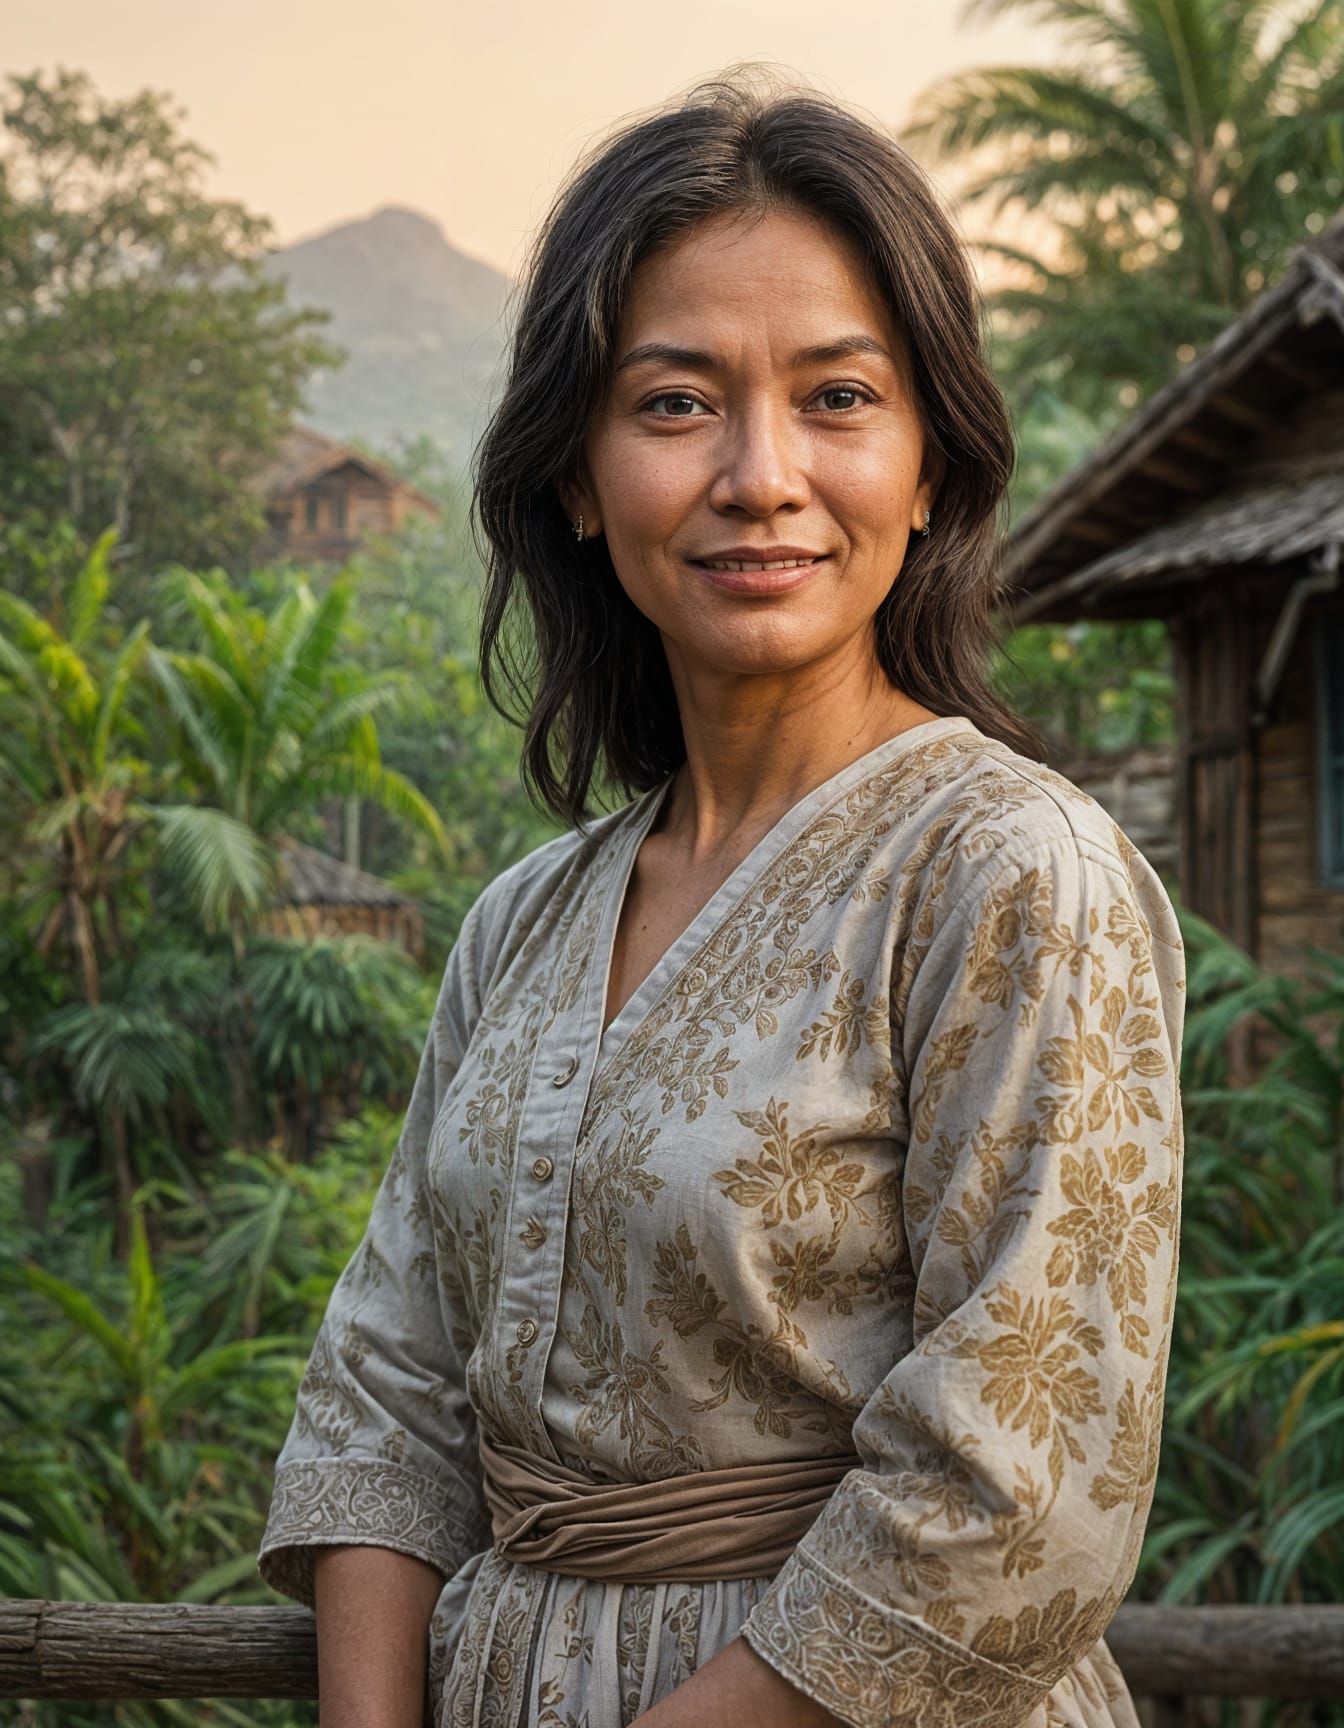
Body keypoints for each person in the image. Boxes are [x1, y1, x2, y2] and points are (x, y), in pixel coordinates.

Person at [256, 64, 1186, 1728]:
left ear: (930, 469)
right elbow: (384, 1393)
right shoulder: (523, 920)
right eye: (676, 402)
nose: (761, 474)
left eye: (839, 398)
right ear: (576, 477)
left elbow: (1017, 1492)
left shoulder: (1008, 873)